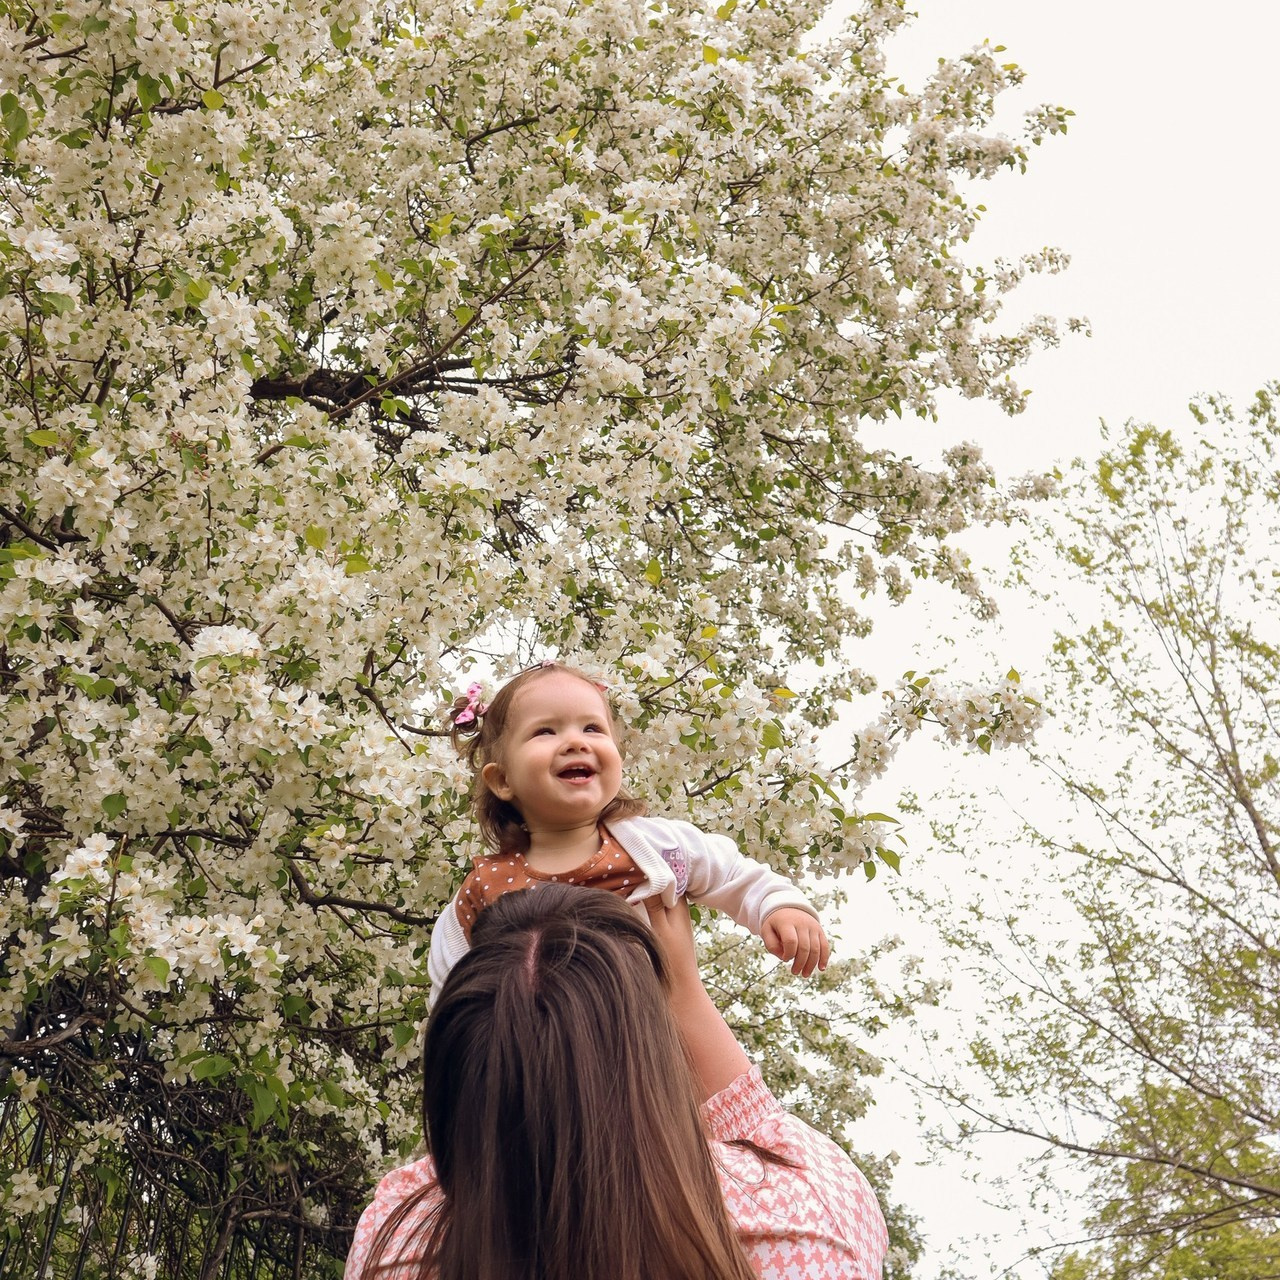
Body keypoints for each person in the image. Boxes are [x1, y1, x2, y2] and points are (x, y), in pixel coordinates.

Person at [345, 884, 890, 1280]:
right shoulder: (801, 1224)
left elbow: (454, 1163)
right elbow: (768, 1130)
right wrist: (684, 994)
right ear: (653, 1057)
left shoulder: (397, 1246)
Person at [427, 661, 829, 1001]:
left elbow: (732, 872)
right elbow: (451, 980)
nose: (574, 742)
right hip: (543, 1060)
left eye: (592, 729)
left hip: (651, 1047)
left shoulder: (655, 847)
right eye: (545, 731)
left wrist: (779, 906)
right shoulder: (487, 885)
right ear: (501, 780)